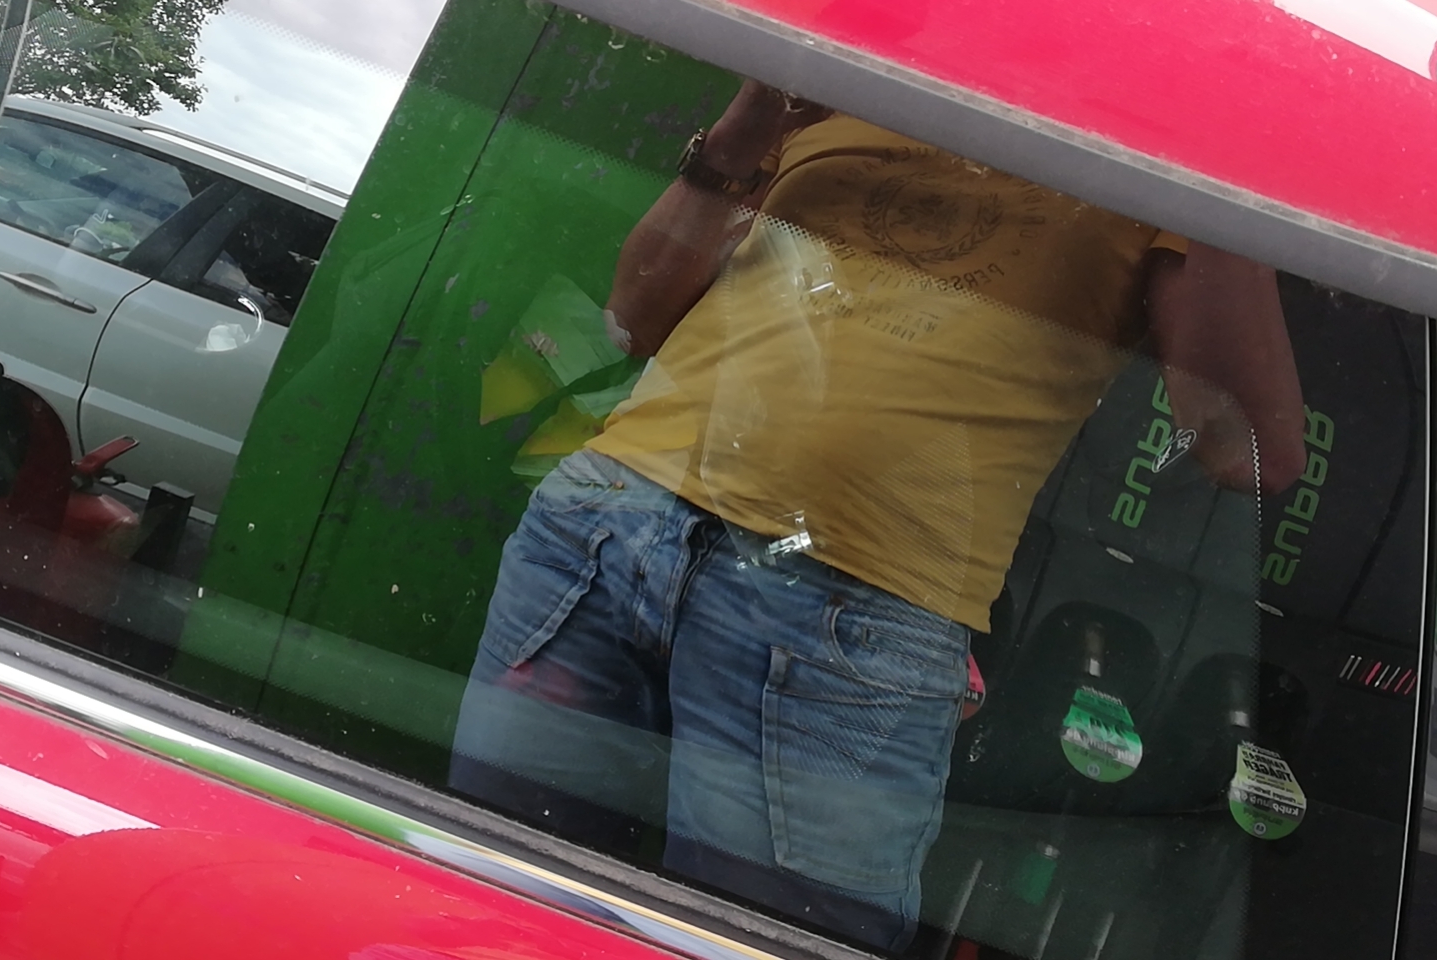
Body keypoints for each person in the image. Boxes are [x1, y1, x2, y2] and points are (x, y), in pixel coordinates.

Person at [450, 79, 1306, 951]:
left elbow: (1249, 451)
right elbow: (634, 319)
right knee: (490, 915)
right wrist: (747, 126)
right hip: (604, 526)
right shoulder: (869, 70)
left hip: (851, 604)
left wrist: (1223, 158)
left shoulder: (1166, 137)